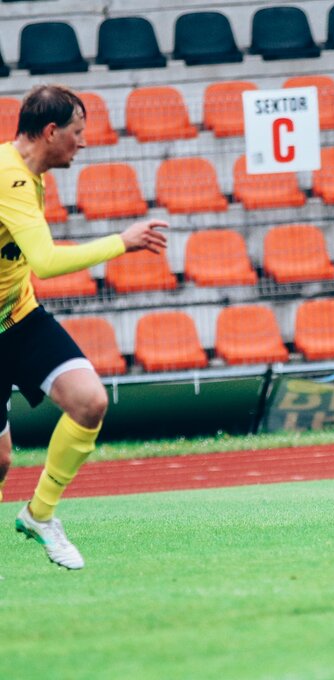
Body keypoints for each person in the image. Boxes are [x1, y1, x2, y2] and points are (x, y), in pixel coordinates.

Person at [0, 85, 167, 569]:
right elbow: (47, 262)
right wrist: (122, 242)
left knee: (90, 401)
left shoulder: (31, 174)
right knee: (1, 462)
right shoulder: (10, 179)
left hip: (18, 315)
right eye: (78, 132)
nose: (84, 142)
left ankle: (40, 515)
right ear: (51, 132)